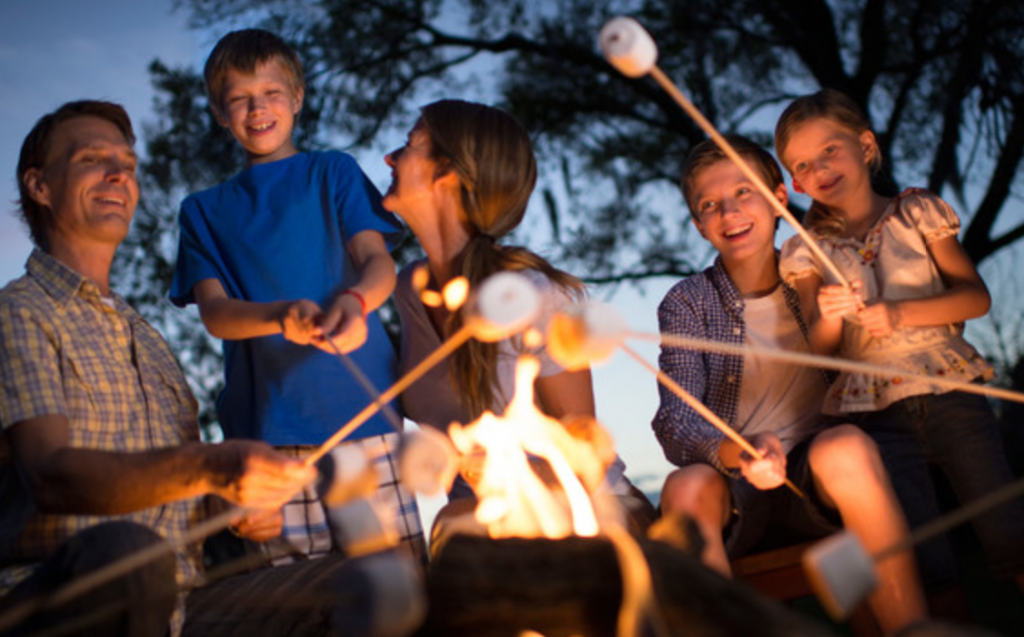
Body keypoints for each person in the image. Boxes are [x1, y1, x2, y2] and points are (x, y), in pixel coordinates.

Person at [0, 100, 406, 637]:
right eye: (92, 159)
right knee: (126, 556)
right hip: (61, 601)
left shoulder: (146, 340)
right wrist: (212, 466)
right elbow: (52, 476)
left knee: (369, 582)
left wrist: (236, 503)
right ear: (40, 186)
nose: (119, 173)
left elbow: (191, 489)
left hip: (186, 609)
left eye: (128, 162)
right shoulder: (19, 312)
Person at [651, 134, 927, 635]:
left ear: (779, 197)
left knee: (844, 448)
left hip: (819, 483)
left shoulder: (823, 271)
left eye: (744, 192)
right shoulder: (686, 302)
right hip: (736, 487)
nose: (729, 211)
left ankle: (911, 628)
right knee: (685, 487)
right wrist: (740, 452)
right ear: (698, 224)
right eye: (710, 204)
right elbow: (676, 419)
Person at [168, 29, 425, 564]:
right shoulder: (202, 210)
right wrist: (282, 315)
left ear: (298, 97)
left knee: (396, 586)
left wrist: (355, 302)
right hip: (269, 433)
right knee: (297, 600)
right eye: (238, 98)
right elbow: (216, 315)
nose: (257, 109)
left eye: (271, 93)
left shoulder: (332, 171)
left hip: (365, 414)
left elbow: (378, 264)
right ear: (219, 112)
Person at [775, 88, 1024, 597]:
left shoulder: (918, 212)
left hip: (949, 388)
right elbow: (821, 352)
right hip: (874, 412)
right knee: (921, 553)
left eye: (830, 149)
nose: (820, 168)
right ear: (795, 183)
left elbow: (974, 298)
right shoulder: (806, 253)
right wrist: (826, 312)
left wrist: (901, 312)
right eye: (803, 164)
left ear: (865, 145)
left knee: (1008, 527)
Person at [383, 99, 655, 546]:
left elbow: (584, 457)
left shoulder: (532, 297)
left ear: (446, 174)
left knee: (453, 529)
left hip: (595, 517)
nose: (392, 157)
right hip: (485, 526)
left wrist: (503, 469)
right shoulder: (409, 290)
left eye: (411, 145)